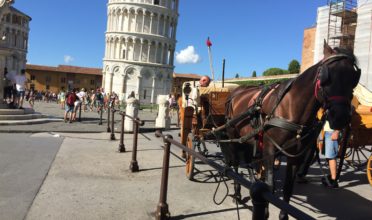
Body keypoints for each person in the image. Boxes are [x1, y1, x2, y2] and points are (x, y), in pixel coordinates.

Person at [320, 121, 340, 188]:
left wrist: (337, 131)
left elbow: (341, 116)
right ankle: (333, 175)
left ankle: (333, 181)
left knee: (331, 156)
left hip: (332, 132)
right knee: (329, 155)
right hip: (329, 131)